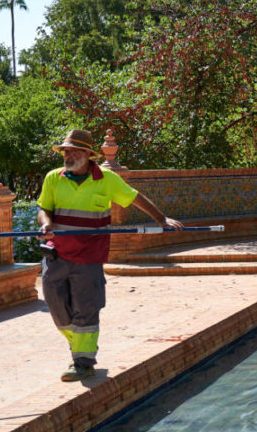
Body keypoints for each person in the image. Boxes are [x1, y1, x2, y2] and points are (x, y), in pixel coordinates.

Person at [37, 128, 183, 381]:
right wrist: (45, 224)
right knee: (56, 304)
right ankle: (79, 343)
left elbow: (136, 198)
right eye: (65, 151)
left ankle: (83, 361)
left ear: (86, 154)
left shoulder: (106, 179)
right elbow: (44, 209)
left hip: (90, 257)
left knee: (87, 307)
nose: (67, 155)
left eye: (73, 151)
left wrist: (161, 219)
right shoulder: (53, 178)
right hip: (57, 254)